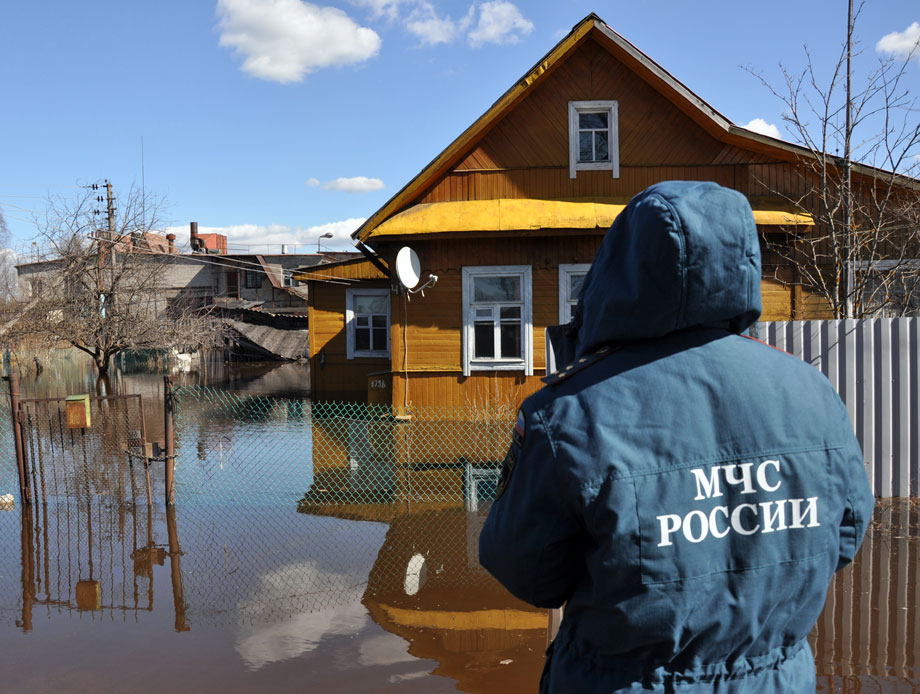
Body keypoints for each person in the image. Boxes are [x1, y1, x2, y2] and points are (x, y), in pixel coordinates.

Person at [478, 180, 874, 693]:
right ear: (740, 262)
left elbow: (527, 573)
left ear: (621, 270)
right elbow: (845, 538)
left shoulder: (569, 412)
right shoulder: (812, 392)